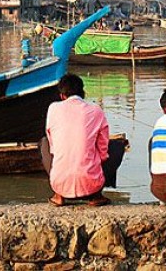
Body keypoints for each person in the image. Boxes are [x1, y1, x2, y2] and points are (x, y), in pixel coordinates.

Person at [41, 74, 114, 207]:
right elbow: (103, 149)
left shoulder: (53, 108)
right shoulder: (96, 110)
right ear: (83, 93)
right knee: (116, 147)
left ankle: (58, 196)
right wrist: (100, 157)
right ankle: (96, 196)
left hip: (60, 183)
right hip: (91, 185)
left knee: (44, 143)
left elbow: (52, 145)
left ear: (62, 96)